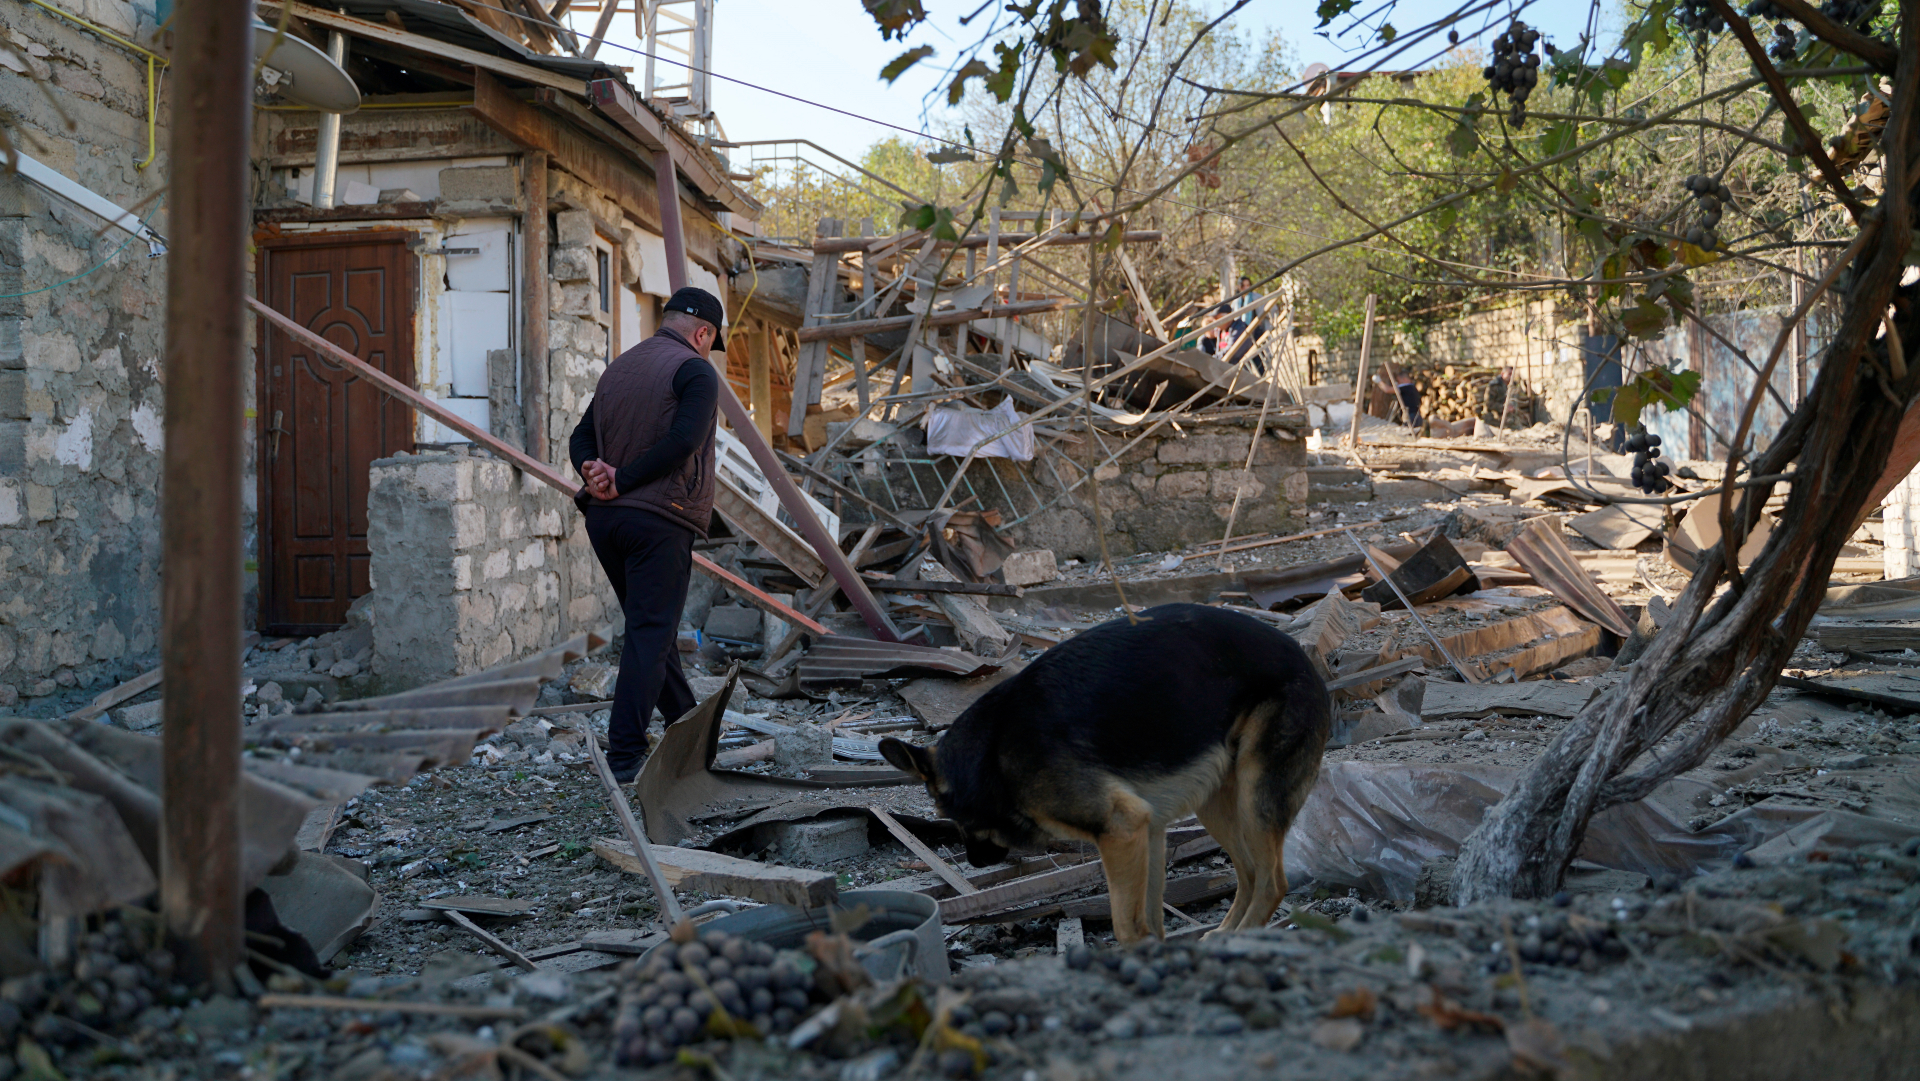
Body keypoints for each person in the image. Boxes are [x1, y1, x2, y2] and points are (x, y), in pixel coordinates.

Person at [569, 286, 725, 782]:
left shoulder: (621, 367)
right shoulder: (696, 370)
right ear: (703, 333)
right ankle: (625, 757)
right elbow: (685, 441)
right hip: (659, 519)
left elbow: (580, 436)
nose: (707, 348)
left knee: (648, 632)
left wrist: (592, 471)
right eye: (710, 339)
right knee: (649, 633)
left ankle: (691, 731)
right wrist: (624, 479)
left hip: (606, 521)